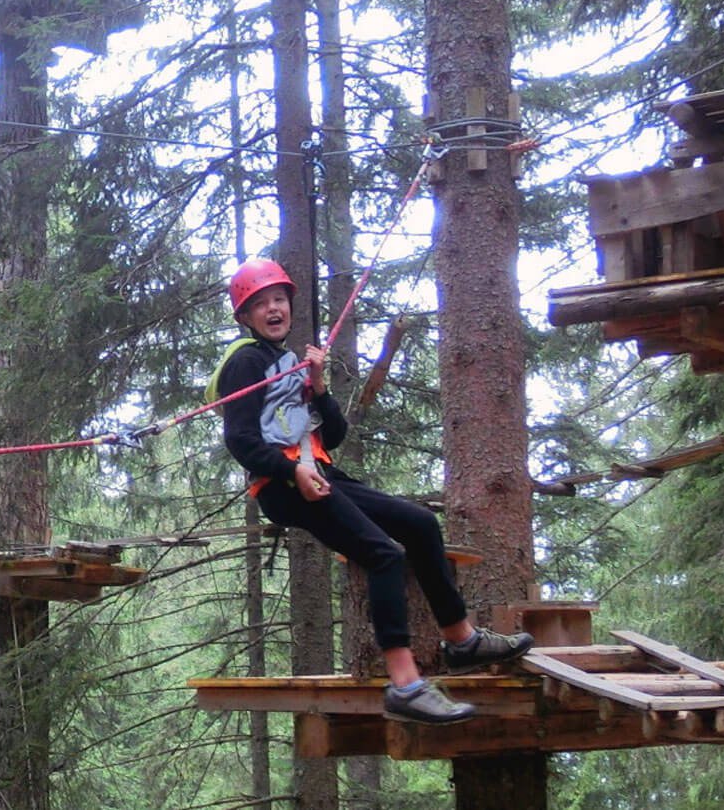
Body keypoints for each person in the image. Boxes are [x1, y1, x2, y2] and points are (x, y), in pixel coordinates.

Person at [212, 258, 534, 725]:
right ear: (245, 317)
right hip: (283, 484)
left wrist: (319, 387)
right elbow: (240, 441)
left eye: (279, 299)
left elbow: (335, 434)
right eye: (260, 304)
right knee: (384, 554)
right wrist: (290, 475)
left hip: (316, 469)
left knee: (420, 523)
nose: (273, 308)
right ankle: (405, 685)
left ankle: (461, 640)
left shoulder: (293, 361)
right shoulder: (247, 362)